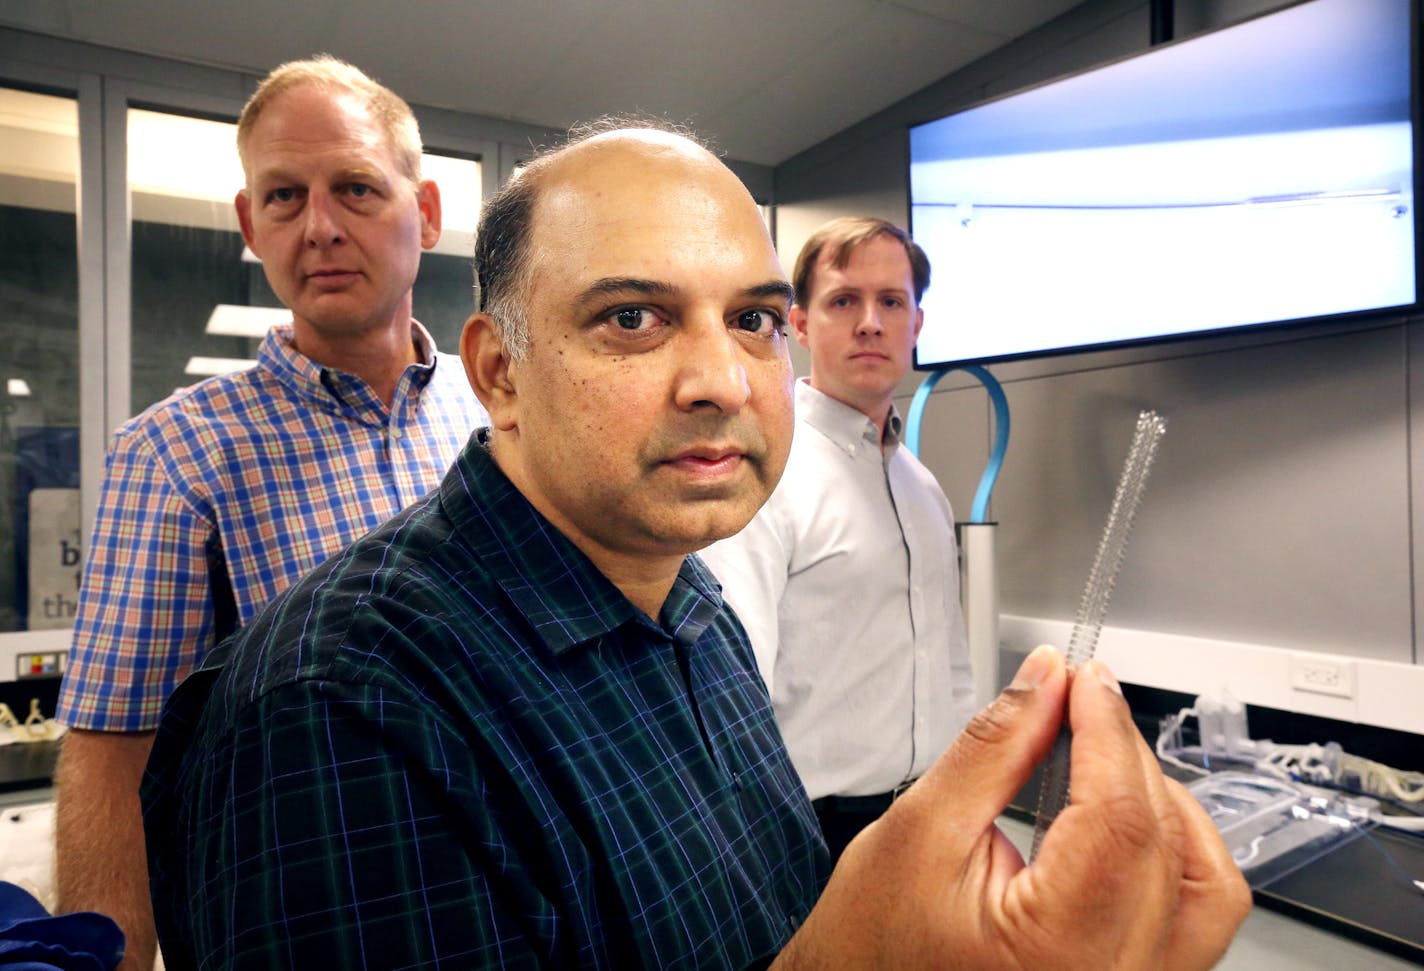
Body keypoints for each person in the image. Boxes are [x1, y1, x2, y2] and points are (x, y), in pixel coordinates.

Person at [141, 121, 1251, 970]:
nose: (720, 380)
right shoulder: (341, 706)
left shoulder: (688, 604)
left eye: (753, 320)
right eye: (632, 317)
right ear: (498, 374)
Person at [54, 56, 485, 971]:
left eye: (357, 188)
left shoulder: (496, 424)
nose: (320, 226)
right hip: (301, 921)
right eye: (284, 197)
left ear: (430, 211)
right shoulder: (177, 457)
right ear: (252, 225)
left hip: (512, 905)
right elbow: (114, 752)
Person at [699, 216, 974, 861]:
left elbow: (951, 663)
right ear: (797, 324)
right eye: (845, 300)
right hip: (811, 835)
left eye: (892, 302)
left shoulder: (922, 487)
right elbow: (734, 691)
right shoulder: (764, 476)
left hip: (929, 816)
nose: (871, 322)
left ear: (917, 326)